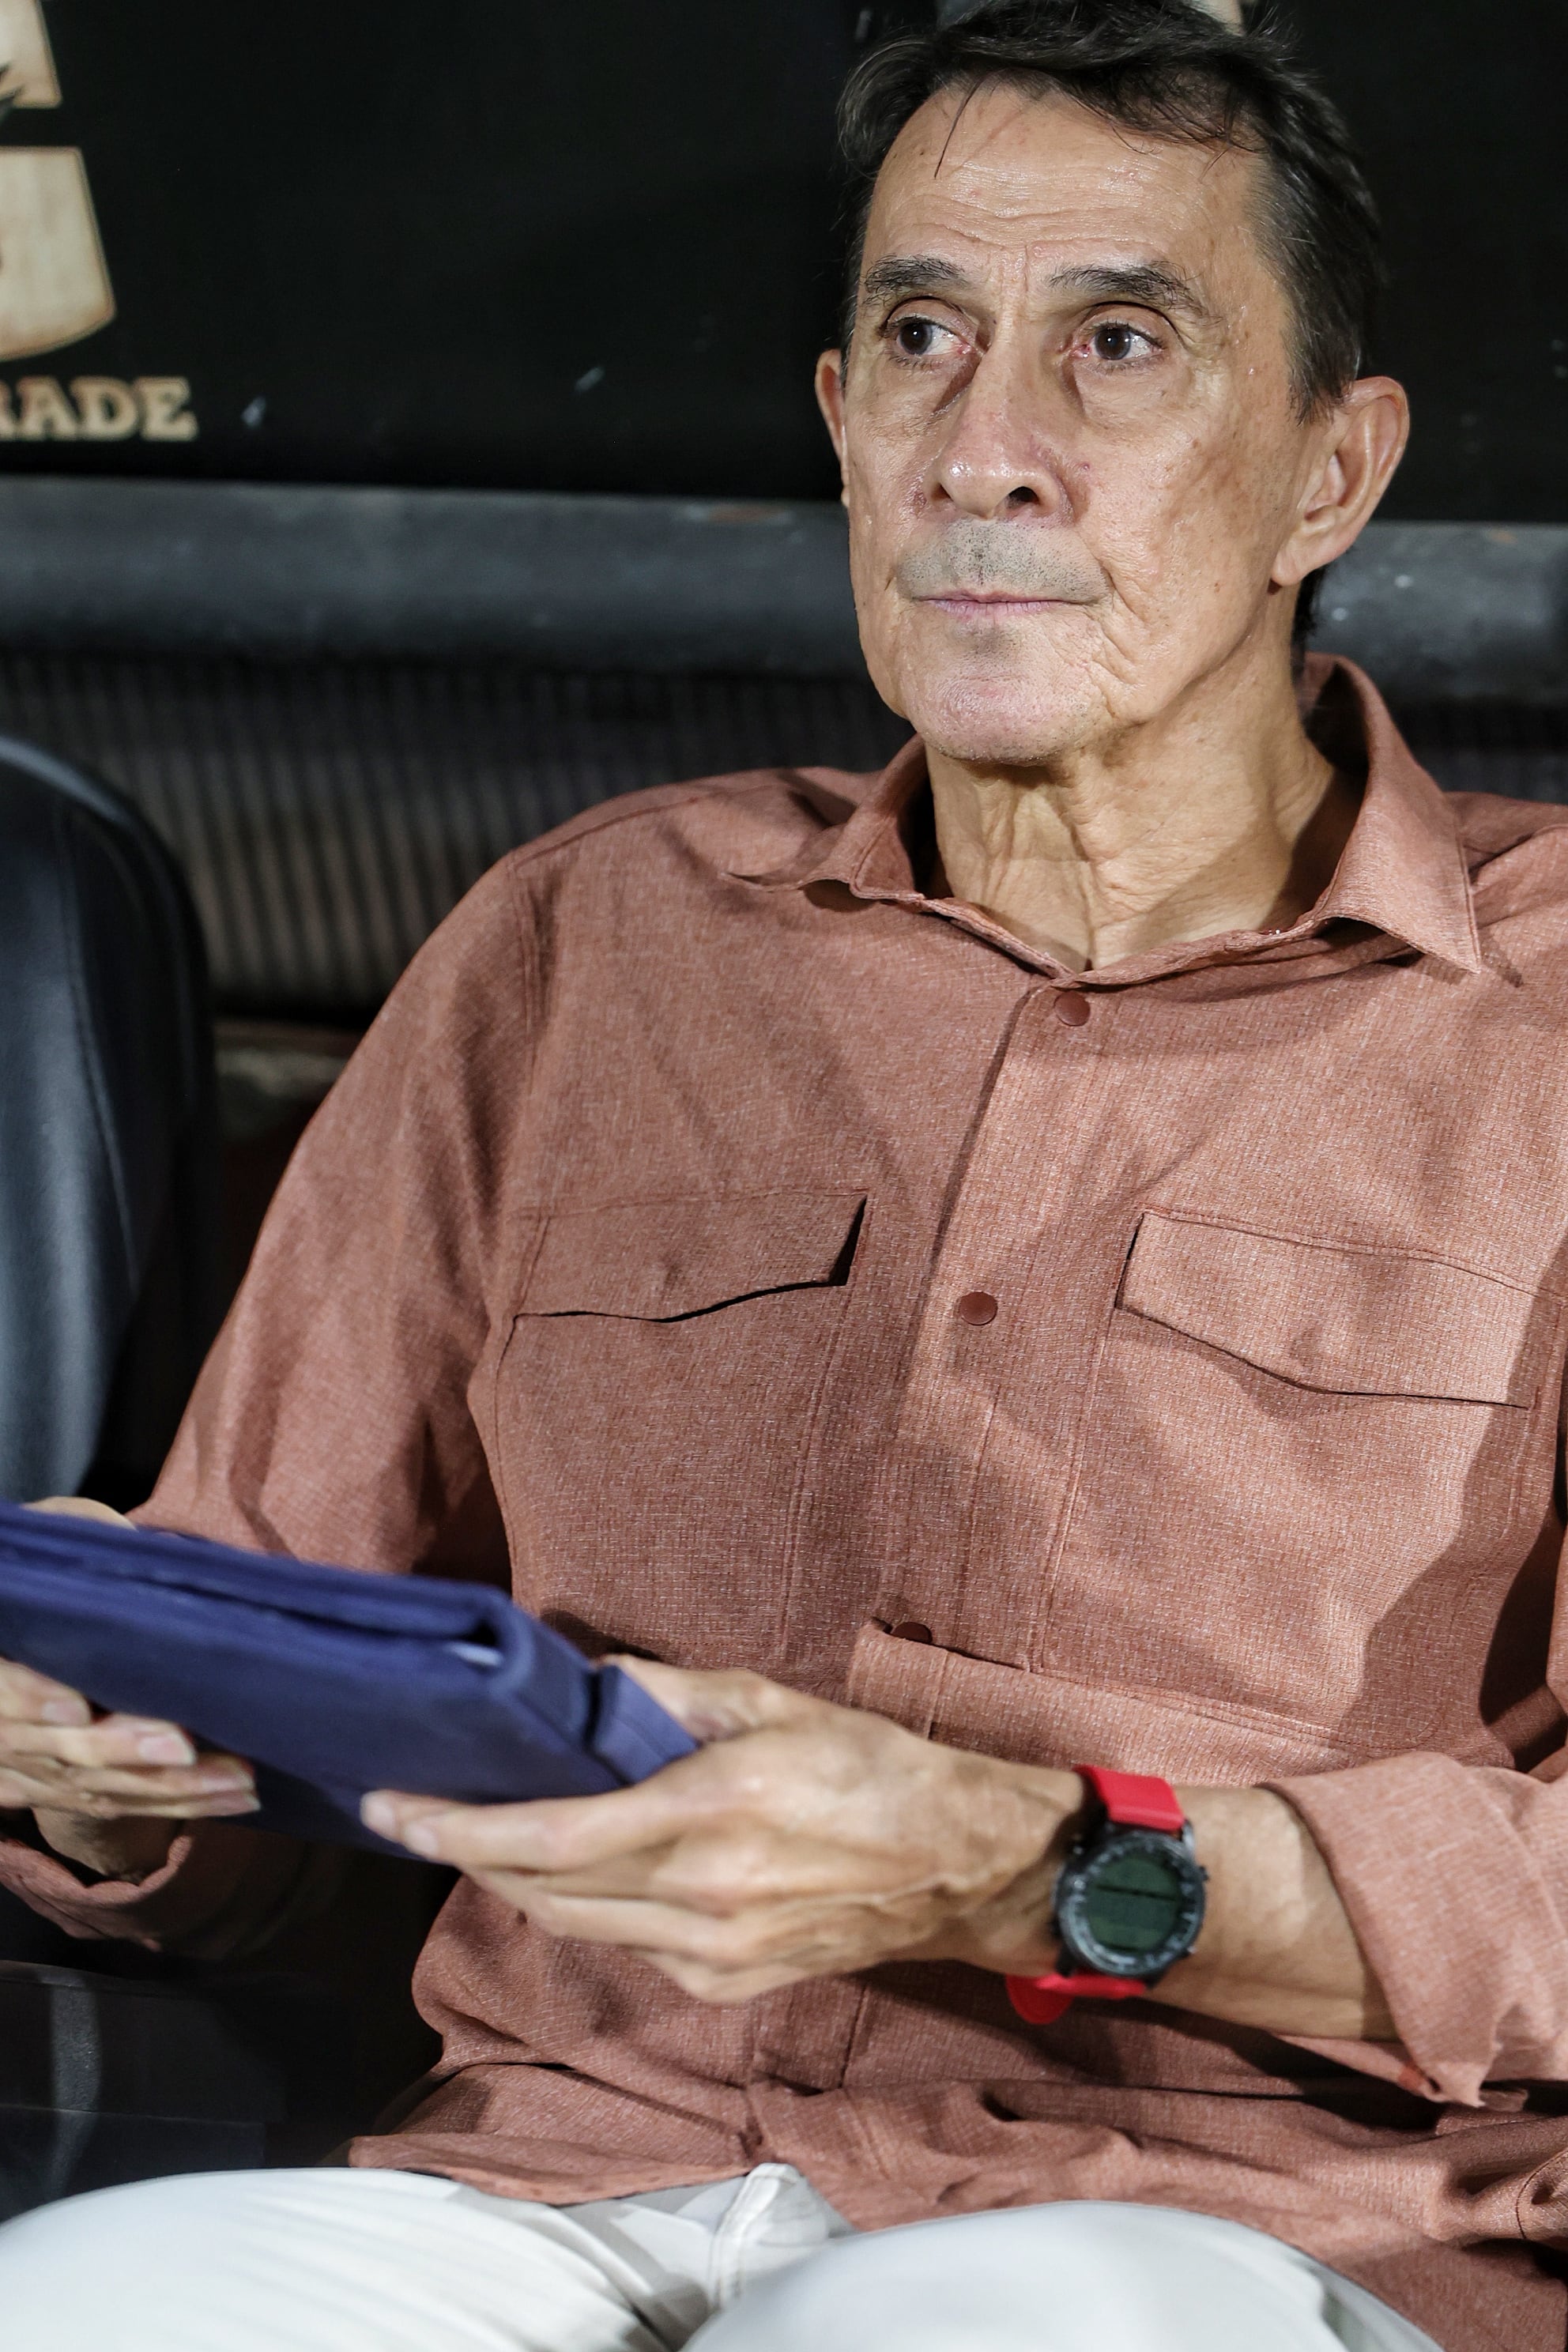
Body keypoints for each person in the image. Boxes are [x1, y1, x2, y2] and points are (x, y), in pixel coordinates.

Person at [0, 2, 1562, 2345]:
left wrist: (1039, 1873)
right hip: (538, 2184)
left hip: (1225, 2224)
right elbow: (257, 1711)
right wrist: (116, 1774)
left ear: (1331, 475)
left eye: (1118, 344)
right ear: (840, 428)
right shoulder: (584, 942)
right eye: (921, 336)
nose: (988, 450)